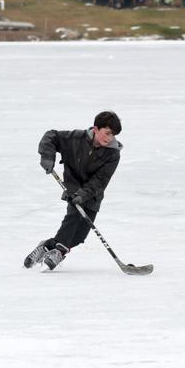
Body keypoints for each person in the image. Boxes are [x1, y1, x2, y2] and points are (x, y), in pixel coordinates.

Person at [23, 111, 123, 270]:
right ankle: (59, 251)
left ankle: (47, 247)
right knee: (73, 217)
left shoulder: (113, 153)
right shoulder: (75, 139)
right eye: (107, 133)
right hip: (73, 187)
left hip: (92, 195)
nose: (109, 138)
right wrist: (47, 157)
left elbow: (101, 180)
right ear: (96, 129)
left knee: (79, 236)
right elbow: (51, 137)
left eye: (113, 135)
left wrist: (83, 195)